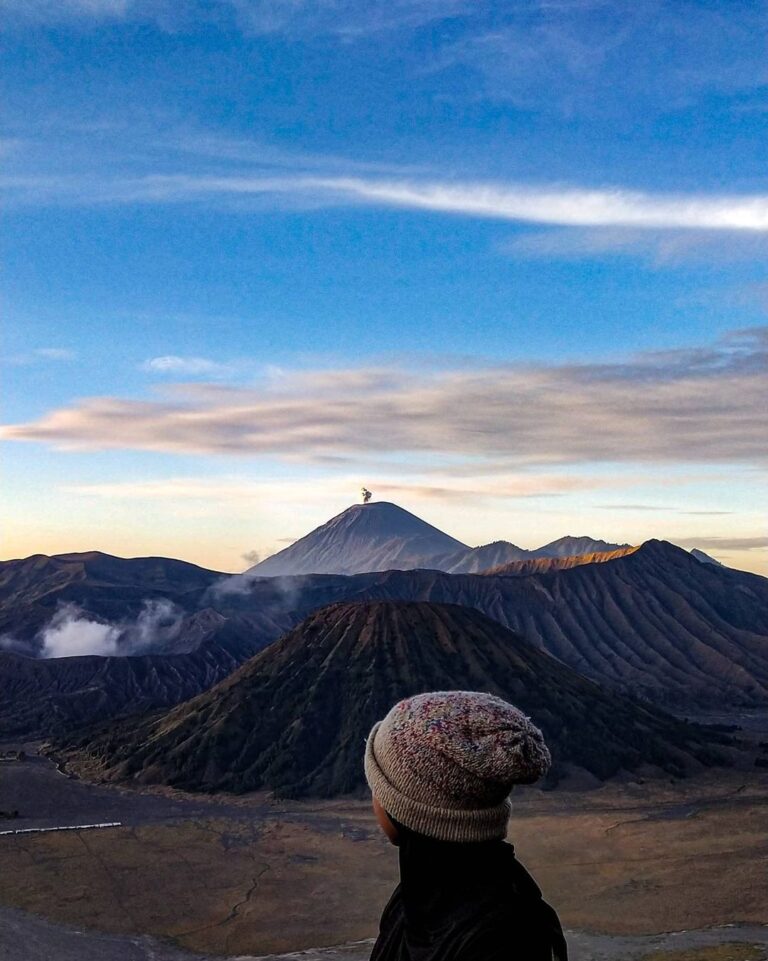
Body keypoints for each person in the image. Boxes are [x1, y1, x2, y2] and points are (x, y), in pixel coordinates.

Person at [364, 690, 568, 961]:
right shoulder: (417, 901)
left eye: (378, 786)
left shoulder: (505, 938)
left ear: (410, 810)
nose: (374, 798)